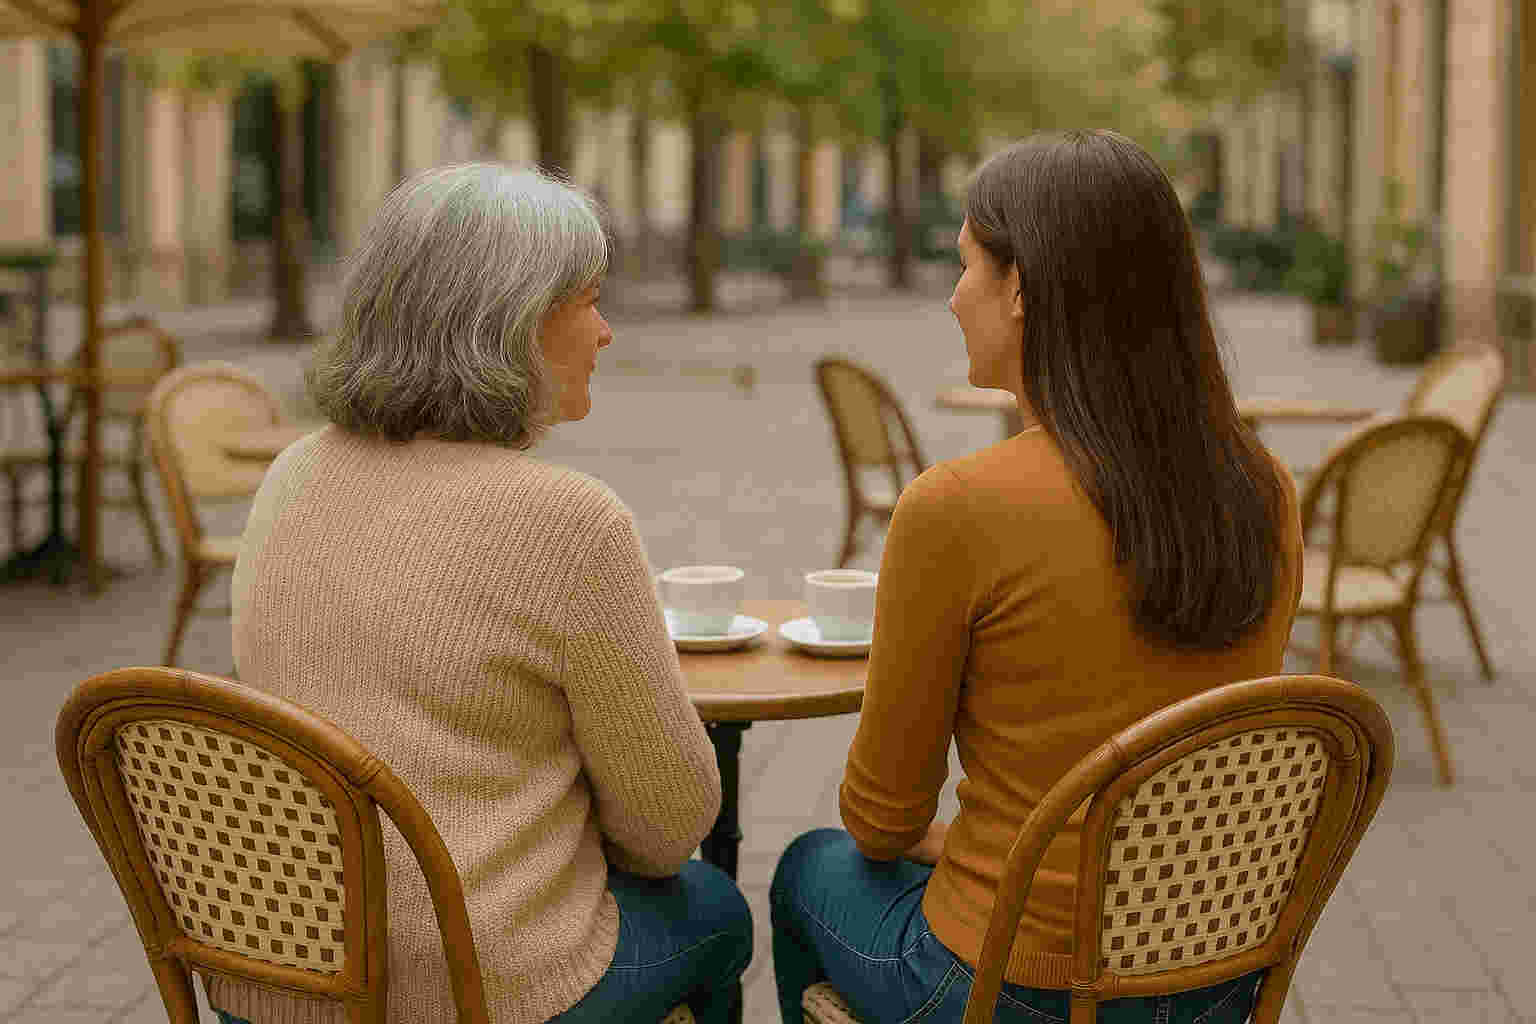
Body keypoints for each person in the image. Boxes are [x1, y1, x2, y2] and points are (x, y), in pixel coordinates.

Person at [771, 130, 1304, 1023]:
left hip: (1014, 987)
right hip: (1217, 980)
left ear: (1019, 289)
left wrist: (990, 853)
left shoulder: (957, 508)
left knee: (806, 871)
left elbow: (880, 820)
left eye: (966, 266)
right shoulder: (1264, 490)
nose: (951, 299)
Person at [211, 164, 750, 1024]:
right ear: (516, 322)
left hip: (278, 973)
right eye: (589, 301)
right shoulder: (569, 523)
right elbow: (669, 823)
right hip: (464, 990)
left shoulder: (290, 474)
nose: (607, 332)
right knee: (717, 909)